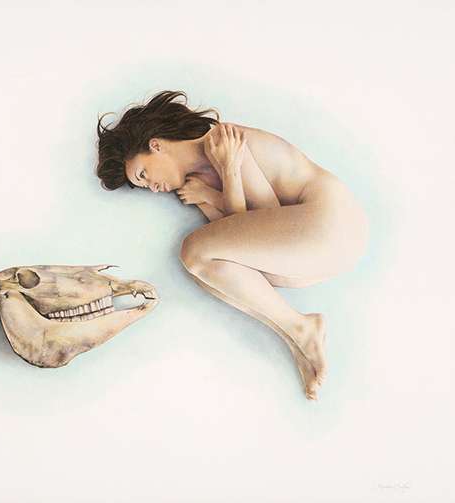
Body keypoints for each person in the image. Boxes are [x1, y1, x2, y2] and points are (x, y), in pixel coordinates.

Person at [95, 90, 369, 400]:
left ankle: (301, 329)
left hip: (333, 223)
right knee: (204, 269)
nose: (153, 188)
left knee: (193, 249)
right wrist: (214, 194)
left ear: (156, 145)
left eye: (143, 174)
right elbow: (240, 242)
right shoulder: (196, 183)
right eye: (143, 186)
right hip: (315, 255)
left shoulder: (223, 141)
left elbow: (263, 219)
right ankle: (295, 334)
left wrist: (226, 175)